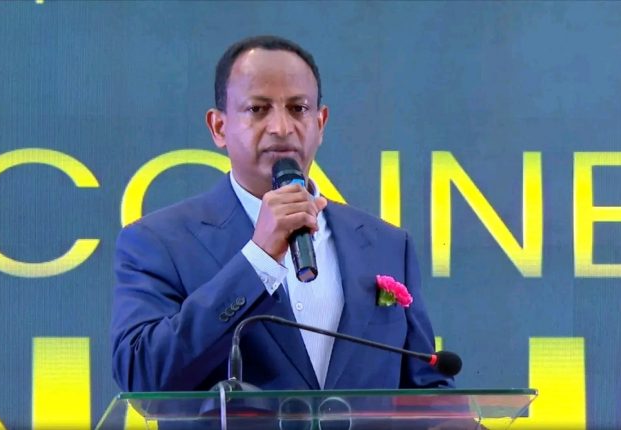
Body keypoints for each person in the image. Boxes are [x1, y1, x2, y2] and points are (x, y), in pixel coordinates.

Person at [110, 35, 454, 392]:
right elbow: (140, 375)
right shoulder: (160, 242)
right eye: (258, 109)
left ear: (321, 123)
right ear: (219, 127)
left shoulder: (387, 245)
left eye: (298, 109)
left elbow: (427, 386)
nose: (282, 127)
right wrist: (258, 259)